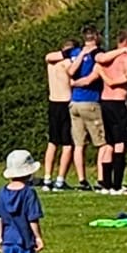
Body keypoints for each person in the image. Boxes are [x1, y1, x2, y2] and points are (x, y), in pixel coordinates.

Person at [64, 27, 107, 190]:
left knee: (79, 144)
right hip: (90, 101)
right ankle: (101, 178)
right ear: (96, 37)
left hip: (74, 102)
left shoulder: (75, 52)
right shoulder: (98, 54)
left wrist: (74, 83)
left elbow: (70, 71)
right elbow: (90, 79)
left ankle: (82, 180)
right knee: (102, 143)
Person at [94, 30, 127, 194]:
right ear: (126, 42)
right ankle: (116, 184)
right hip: (118, 102)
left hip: (105, 101)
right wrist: (115, 81)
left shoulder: (107, 58)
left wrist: (107, 78)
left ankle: (106, 183)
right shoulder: (126, 57)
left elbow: (99, 59)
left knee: (109, 143)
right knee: (120, 143)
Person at [41, 40, 74, 191]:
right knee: (67, 144)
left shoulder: (51, 63)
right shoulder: (67, 63)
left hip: (53, 102)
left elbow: (48, 56)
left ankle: (47, 178)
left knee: (53, 142)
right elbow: (73, 80)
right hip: (65, 103)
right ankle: (60, 179)